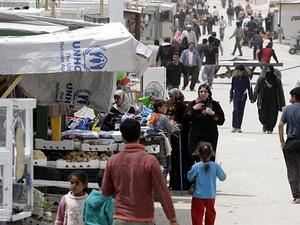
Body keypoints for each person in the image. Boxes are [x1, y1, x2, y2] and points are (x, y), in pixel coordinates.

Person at [101, 118, 179, 225]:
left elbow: (105, 191)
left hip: (120, 218)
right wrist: (172, 218)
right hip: (143, 218)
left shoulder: (112, 161)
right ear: (140, 135)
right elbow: (162, 191)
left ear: (122, 137)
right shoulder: (150, 161)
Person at [187, 142, 226, 225]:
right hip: (210, 195)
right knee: (210, 215)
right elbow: (223, 177)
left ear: (198, 153)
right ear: (211, 153)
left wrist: (189, 172)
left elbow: (190, 178)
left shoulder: (196, 166)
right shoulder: (215, 166)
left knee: (197, 215)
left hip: (198, 195)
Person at [185, 83, 225, 161]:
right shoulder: (193, 103)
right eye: (201, 91)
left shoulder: (214, 104)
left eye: (205, 91)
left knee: (209, 158)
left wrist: (213, 113)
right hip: (195, 136)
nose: (203, 93)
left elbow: (221, 121)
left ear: (209, 93)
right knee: (194, 157)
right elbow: (185, 119)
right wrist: (193, 109)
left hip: (210, 136)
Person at [278, 87, 300, 204]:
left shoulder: (287, 109)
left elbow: (280, 125)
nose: (290, 98)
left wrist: (282, 141)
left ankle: (297, 196)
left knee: (292, 169)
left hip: (291, 142)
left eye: (291, 96)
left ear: (295, 97)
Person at [252, 66, 285, 133]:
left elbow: (281, 92)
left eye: (269, 70)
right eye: (267, 70)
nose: (268, 71)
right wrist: (254, 98)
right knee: (262, 116)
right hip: (263, 101)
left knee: (272, 116)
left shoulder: (277, 80)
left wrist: (282, 104)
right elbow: (256, 89)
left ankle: (270, 128)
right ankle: (264, 124)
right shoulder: (261, 79)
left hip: (274, 101)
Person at [229, 65, 253, 133]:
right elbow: (232, 87)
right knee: (235, 110)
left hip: (243, 96)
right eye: (237, 71)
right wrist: (231, 96)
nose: (237, 72)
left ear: (242, 71)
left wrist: (251, 97)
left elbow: (249, 88)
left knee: (241, 111)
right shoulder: (234, 78)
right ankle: (234, 126)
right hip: (236, 96)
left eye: (239, 71)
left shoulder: (246, 78)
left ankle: (239, 127)